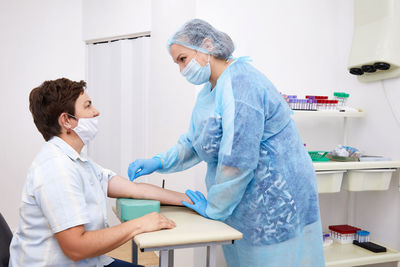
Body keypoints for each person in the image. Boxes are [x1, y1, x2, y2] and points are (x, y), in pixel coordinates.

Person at [127, 19, 325, 266]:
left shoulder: (242, 83)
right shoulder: (209, 91)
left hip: (276, 197)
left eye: (182, 59)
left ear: (206, 45)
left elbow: (238, 159)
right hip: (244, 200)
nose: (181, 69)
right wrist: (158, 162)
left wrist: (216, 208)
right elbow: (195, 141)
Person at [9, 78, 192, 267]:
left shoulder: (78, 161)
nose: (96, 111)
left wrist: (188, 199)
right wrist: (140, 224)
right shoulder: (56, 168)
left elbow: (134, 190)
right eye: (88, 106)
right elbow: (76, 248)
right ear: (66, 120)